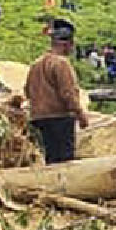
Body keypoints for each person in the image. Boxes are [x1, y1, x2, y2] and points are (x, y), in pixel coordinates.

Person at [26, 19, 89, 165]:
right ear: (66, 44)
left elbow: (28, 91)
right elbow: (68, 94)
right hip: (59, 119)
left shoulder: (36, 64)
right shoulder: (61, 63)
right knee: (64, 161)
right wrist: (81, 115)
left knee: (50, 158)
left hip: (38, 119)